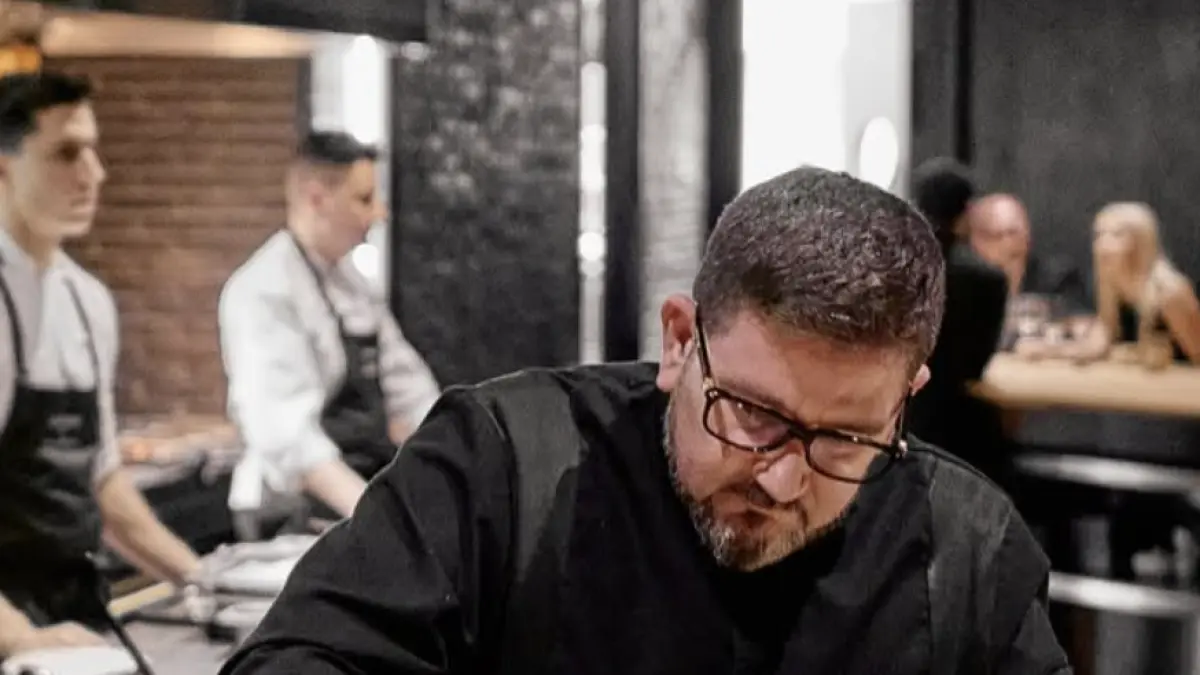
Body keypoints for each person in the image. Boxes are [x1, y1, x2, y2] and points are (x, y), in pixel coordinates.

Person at [220, 167, 1071, 674]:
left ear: (907, 396)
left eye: (846, 438)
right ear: (679, 341)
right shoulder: (506, 467)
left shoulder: (968, 551)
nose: (783, 477)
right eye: (753, 412)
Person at [0, 71, 203, 659]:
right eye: (66, 153)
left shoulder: (87, 300)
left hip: (72, 610)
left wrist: (203, 579)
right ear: (4, 167)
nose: (94, 173)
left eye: (93, 150)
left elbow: (102, 480)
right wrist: (21, 638)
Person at [219, 130, 439, 526]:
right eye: (364, 199)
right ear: (317, 198)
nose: (380, 213)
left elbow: (409, 389)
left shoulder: (354, 283)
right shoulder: (263, 290)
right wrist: (375, 517)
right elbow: (287, 437)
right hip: (293, 512)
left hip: (361, 497)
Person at [906, 158, 1011, 480]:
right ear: (966, 213)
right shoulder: (987, 279)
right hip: (960, 436)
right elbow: (974, 368)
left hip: (895, 423)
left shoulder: (892, 269)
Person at [968, 193, 1089, 311]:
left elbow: (1075, 316)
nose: (1007, 243)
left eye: (1012, 232)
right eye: (995, 235)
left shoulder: (1058, 278)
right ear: (973, 241)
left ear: (1027, 235)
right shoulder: (964, 283)